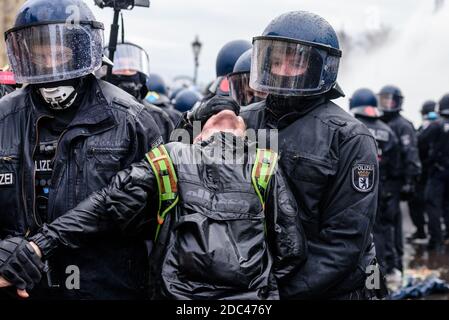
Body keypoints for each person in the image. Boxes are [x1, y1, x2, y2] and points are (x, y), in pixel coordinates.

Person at [0, 98, 307, 300]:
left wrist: (39, 244)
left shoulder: (169, 158)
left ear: (196, 132)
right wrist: (256, 288)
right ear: (243, 131)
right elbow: (292, 251)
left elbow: (107, 207)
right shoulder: (266, 163)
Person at [0, 0, 162, 299]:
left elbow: (155, 211)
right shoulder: (4, 117)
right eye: (40, 55)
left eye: (60, 54)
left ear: (81, 49)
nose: (51, 66)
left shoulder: (131, 118)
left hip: (105, 287)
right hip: (21, 285)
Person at [236, 11, 383, 299]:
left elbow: (345, 242)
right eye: (276, 60)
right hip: (255, 282)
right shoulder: (245, 120)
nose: (281, 70)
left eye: (295, 62)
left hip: (325, 290)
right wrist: (199, 123)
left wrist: (278, 292)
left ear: (318, 66)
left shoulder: (349, 137)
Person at [349, 88, 400, 277]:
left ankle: (364, 277)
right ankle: (381, 277)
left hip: (354, 191)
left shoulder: (351, 127)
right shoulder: (388, 131)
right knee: (381, 232)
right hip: (383, 189)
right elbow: (396, 166)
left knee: (359, 235)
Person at [378, 85, 421, 271]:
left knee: (391, 223)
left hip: (395, 182)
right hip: (382, 180)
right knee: (385, 224)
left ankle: (395, 263)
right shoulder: (380, 122)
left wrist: (410, 182)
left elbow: (411, 155)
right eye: (383, 99)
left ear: (397, 101)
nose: (386, 103)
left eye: (390, 99)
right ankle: (388, 263)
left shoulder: (403, 125)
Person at [104, 42, 174, 142]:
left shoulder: (159, 117)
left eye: (132, 65)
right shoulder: (92, 114)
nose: (126, 71)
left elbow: (170, 153)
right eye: (119, 65)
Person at [419, 93, 449, 249]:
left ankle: (436, 240)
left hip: (438, 172)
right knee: (447, 205)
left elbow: (420, 141)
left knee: (433, 205)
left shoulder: (437, 124)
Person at [408, 100, 439, 241]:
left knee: (418, 203)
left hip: (425, 172)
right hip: (434, 172)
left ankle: (422, 232)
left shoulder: (428, 128)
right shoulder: (438, 126)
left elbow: (417, 144)